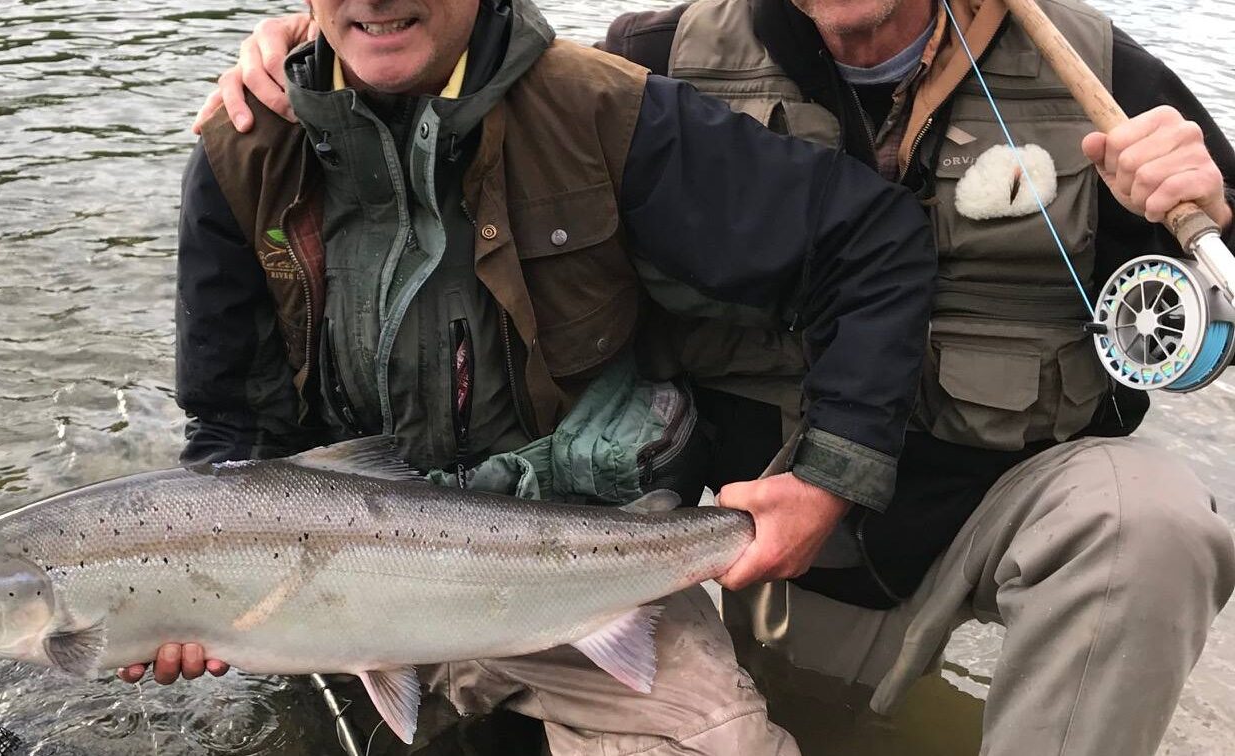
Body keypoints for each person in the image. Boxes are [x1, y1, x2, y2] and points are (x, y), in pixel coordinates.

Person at [202, 1, 1235, 754]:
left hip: (981, 528)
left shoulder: (1107, 77)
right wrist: (316, 46)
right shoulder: (656, 61)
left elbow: (1218, 310)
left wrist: (1218, 212)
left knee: (1148, 520)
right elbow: (467, 73)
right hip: (760, 567)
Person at [125, 0, 943, 752]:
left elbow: (872, 239)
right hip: (335, 603)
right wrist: (184, 596)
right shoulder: (244, 149)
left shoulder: (605, 113)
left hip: (589, 579)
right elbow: (229, 431)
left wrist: (828, 478)